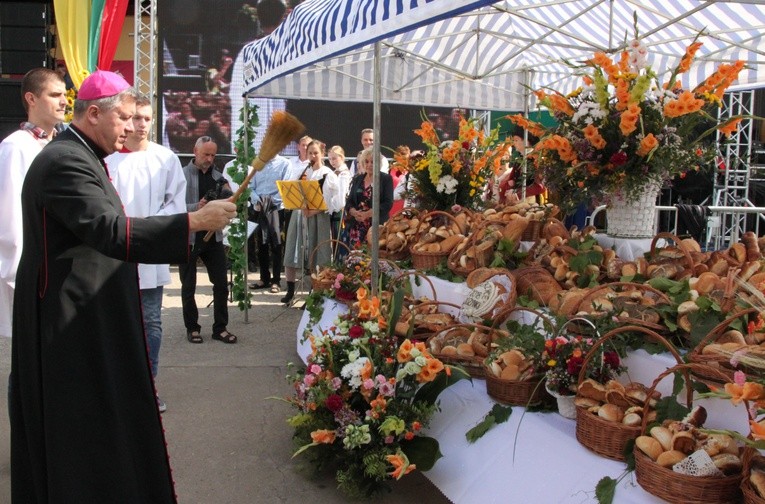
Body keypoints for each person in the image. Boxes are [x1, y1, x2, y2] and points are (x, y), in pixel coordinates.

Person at [10, 70, 236, 502]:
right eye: (126, 118)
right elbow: (109, 230)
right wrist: (193, 221)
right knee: (82, 430)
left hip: (86, 313)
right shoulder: (66, 160)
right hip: (71, 323)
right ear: (94, 113)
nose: (135, 128)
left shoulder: (83, 155)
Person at [105, 95, 187, 413]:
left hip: (150, 251)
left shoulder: (165, 158)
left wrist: (151, 227)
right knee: (116, 322)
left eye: (147, 119)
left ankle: (148, 386)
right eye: (136, 117)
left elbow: (176, 202)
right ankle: (117, 386)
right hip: (115, 251)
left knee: (151, 321)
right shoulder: (108, 158)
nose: (141, 125)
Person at [0, 68, 66, 339]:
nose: (64, 101)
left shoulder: (61, 144)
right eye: (55, 95)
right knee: (29, 358)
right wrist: (20, 278)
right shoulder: (16, 147)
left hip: (56, 269)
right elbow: (9, 220)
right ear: (31, 98)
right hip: (32, 274)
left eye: (65, 94)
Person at [180, 136, 238, 344]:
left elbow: (231, 206)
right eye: (206, 154)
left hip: (213, 237)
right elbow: (172, 207)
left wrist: (229, 200)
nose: (210, 158)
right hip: (189, 237)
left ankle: (220, 328)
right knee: (188, 286)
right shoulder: (182, 175)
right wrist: (196, 207)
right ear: (195, 151)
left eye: (213, 155)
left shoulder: (219, 177)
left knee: (221, 284)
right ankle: (192, 328)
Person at [281, 140, 343, 304]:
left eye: (316, 153)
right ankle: (290, 290)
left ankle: (315, 293)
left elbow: (334, 201)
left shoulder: (327, 174)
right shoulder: (302, 171)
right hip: (300, 214)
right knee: (292, 250)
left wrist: (314, 210)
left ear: (322, 154)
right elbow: (292, 191)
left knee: (318, 253)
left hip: (317, 216)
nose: (313, 156)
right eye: (310, 153)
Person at [248, 153, 290, 293]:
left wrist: (271, 202)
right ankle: (264, 278)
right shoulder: (258, 162)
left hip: (275, 209)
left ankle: (276, 280)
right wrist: (257, 199)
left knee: (276, 243)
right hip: (259, 208)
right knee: (261, 243)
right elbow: (250, 185)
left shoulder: (285, 163)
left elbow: (285, 187)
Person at [340, 146, 394, 252]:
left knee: (372, 259)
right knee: (357, 261)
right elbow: (349, 201)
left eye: (373, 162)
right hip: (356, 227)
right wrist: (354, 212)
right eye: (367, 161)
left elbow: (388, 203)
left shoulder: (386, 179)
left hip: (376, 227)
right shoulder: (357, 179)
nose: (369, 165)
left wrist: (368, 213)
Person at [328, 145, 351, 243]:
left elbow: (342, 197)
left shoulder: (344, 174)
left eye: (334, 158)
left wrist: (333, 207)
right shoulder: (334, 172)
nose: (332, 161)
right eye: (329, 159)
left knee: (340, 240)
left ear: (341, 157)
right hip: (334, 210)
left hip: (340, 211)